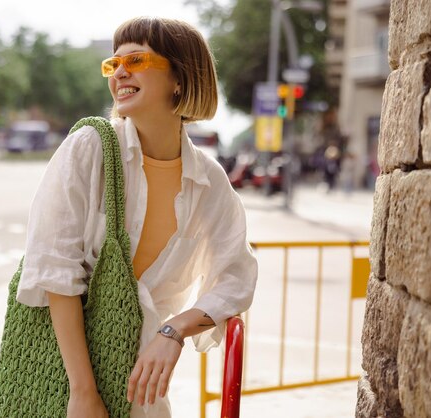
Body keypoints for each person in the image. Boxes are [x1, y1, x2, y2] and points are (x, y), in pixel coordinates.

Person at [16, 17, 258, 418]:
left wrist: (174, 330)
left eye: (137, 60)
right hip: (60, 372)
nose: (120, 72)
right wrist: (83, 393)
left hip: (141, 382)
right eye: (113, 65)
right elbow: (55, 270)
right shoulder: (89, 147)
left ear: (179, 77)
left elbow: (237, 277)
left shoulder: (209, 181)